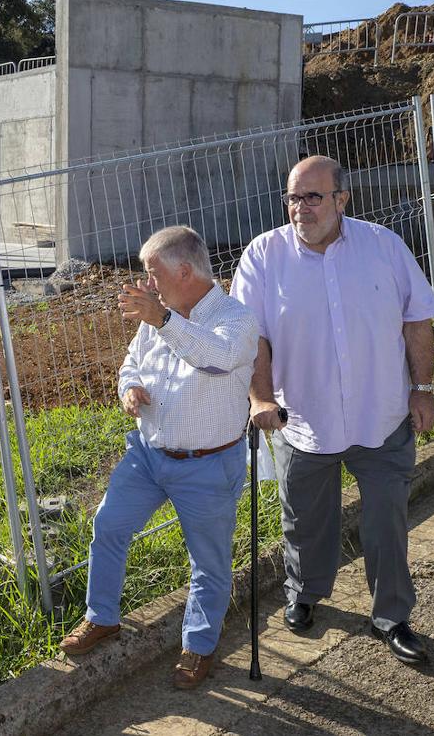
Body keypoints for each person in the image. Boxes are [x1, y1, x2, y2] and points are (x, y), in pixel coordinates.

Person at [231, 154, 434, 664]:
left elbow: (418, 320)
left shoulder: (383, 247)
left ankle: (392, 615)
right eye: (292, 198)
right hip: (302, 418)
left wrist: (422, 388)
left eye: (313, 196)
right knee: (304, 520)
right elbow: (252, 336)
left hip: (382, 412)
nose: (300, 208)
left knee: (386, 521)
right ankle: (303, 593)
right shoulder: (264, 255)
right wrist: (260, 398)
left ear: (341, 199)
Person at [59, 226, 259, 690]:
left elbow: (216, 359)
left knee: (208, 562)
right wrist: (128, 387)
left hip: (208, 464)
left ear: (184, 271)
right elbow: (131, 361)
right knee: (109, 526)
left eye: (153, 273)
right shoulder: (157, 320)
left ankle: (199, 646)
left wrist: (165, 321)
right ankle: (102, 616)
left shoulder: (235, 319)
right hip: (148, 455)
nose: (147, 283)